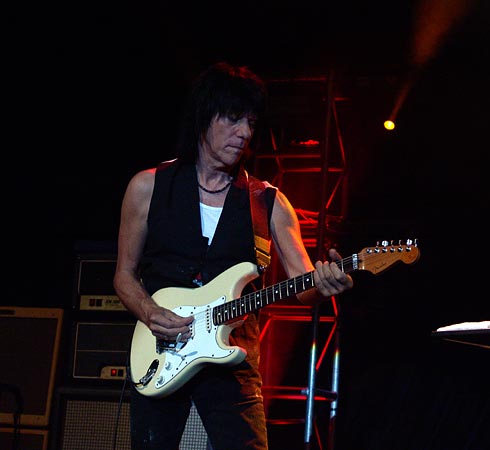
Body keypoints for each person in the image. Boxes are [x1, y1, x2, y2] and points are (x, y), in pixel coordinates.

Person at [113, 61, 354, 450]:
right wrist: (150, 312)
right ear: (204, 116)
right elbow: (123, 275)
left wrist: (324, 284)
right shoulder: (148, 187)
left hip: (234, 355)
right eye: (233, 118)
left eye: (251, 123)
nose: (245, 133)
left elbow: (304, 285)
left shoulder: (269, 202)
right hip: (161, 348)